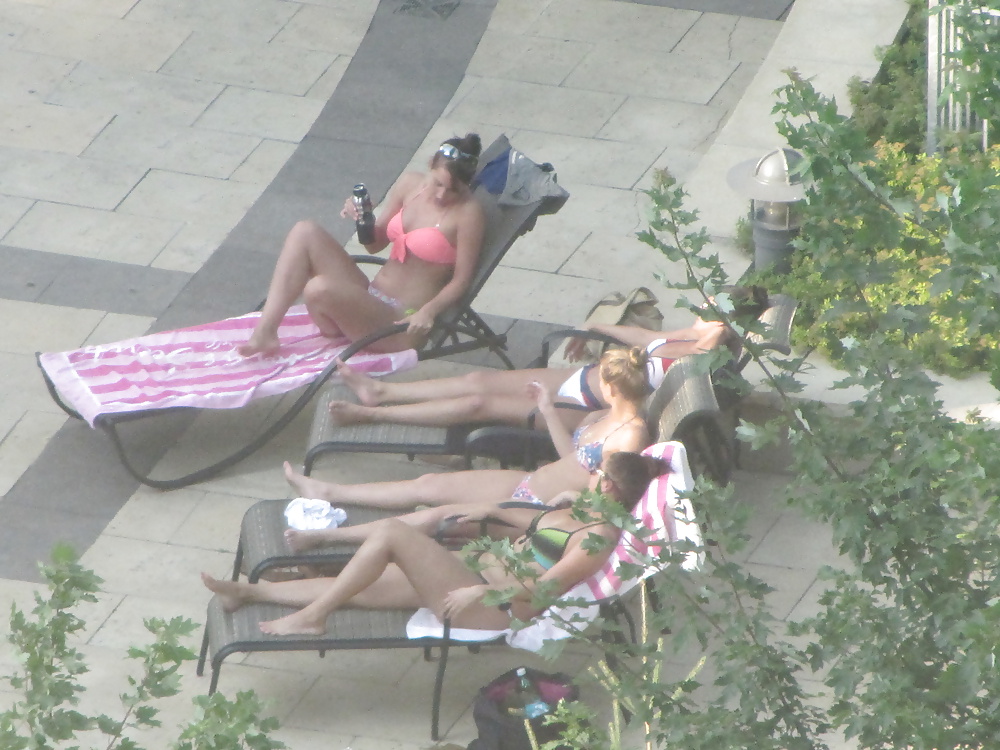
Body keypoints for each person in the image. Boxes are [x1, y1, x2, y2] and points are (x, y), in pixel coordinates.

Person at [201, 451, 669, 635]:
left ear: (609, 487)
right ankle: (252, 592)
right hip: (478, 572)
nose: (590, 475)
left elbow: (545, 589)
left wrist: (481, 592)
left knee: (391, 534)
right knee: (366, 585)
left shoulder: (597, 540)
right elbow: (534, 533)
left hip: (493, 607)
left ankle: (312, 617)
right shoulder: (583, 509)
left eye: (598, 473)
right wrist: (497, 514)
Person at [325, 285, 770, 428]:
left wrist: (730, 331)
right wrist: (599, 328)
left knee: (478, 404)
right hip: (587, 379)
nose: (703, 301)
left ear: (723, 321)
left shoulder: (705, 350)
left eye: (714, 301)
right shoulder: (689, 335)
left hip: (593, 410)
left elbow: (714, 344)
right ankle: (380, 390)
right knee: (477, 383)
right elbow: (638, 335)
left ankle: (374, 416)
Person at [282, 346, 652, 511]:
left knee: (431, 511)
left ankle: (330, 500)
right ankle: (326, 491)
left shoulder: (630, 435)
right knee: (426, 486)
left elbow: (612, 495)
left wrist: (568, 503)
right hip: (528, 482)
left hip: (537, 507)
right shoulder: (599, 419)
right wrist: (547, 411)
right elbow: (572, 461)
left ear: (612, 388)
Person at [238, 134, 486, 357]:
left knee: (319, 288)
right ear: (431, 165)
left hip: (400, 322)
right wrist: (362, 219)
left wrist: (429, 311)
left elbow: (462, 280)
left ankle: (337, 320)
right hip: (368, 300)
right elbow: (375, 245)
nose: (442, 195)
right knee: (305, 231)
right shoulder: (410, 185)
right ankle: (265, 332)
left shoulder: (468, 214)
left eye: (454, 190)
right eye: (438, 183)